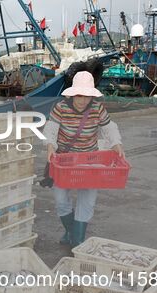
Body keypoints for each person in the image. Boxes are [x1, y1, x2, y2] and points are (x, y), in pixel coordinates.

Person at [43, 71, 124, 246]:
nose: (83, 100)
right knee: (61, 200)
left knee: (87, 201)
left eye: (87, 96)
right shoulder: (60, 107)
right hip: (65, 160)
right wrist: (50, 145)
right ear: (72, 94)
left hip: (90, 160)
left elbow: (109, 128)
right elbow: (51, 129)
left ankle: (77, 241)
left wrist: (116, 144)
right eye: (79, 95)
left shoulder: (97, 108)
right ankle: (70, 231)